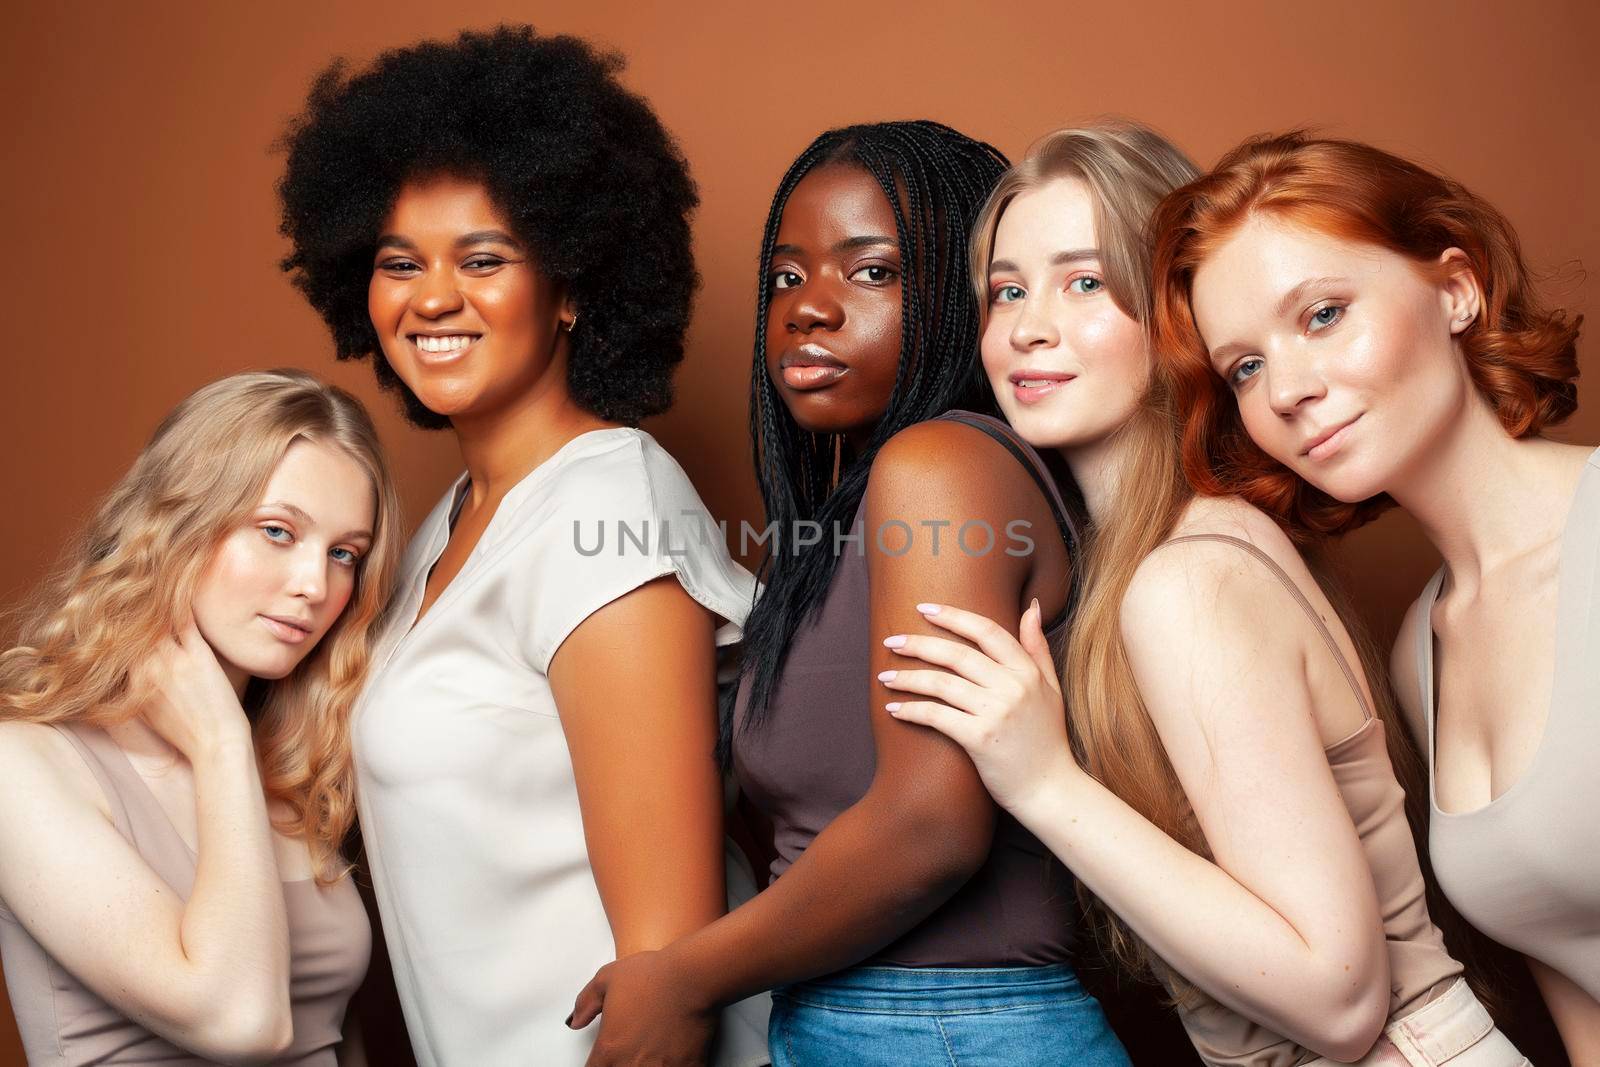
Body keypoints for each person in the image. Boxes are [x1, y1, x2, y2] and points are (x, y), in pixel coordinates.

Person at [879, 122, 1526, 1066]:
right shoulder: (1171, 557)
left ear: (1177, 313)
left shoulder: (1189, 577)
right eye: (1006, 290)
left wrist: (1042, 779)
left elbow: (1340, 1000)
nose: (1027, 326)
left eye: (1085, 282)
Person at [570, 119, 1131, 1067]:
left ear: (963, 297)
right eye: (787, 278)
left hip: (955, 1030)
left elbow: (929, 825)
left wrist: (682, 977)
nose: (809, 310)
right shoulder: (847, 518)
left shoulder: (941, 463)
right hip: (867, 1027)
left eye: (871, 272)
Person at [277, 25, 769, 1066]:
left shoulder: (608, 502)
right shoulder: (449, 527)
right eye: (398, 261)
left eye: (483, 258)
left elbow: (666, 975)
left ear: (576, 285)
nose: (432, 297)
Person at [1152, 129, 1594, 1064]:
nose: (1289, 390)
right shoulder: (1419, 649)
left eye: (1320, 315)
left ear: (1455, 288)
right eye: (1246, 366)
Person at [0, 369, 401, 1065]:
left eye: (344, 554)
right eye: (278, 531)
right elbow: (243, 1022)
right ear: (176, 525)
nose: (314, 584)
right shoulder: (24, 764)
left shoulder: (296, 766)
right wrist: (219, 742)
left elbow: (333, 1035)